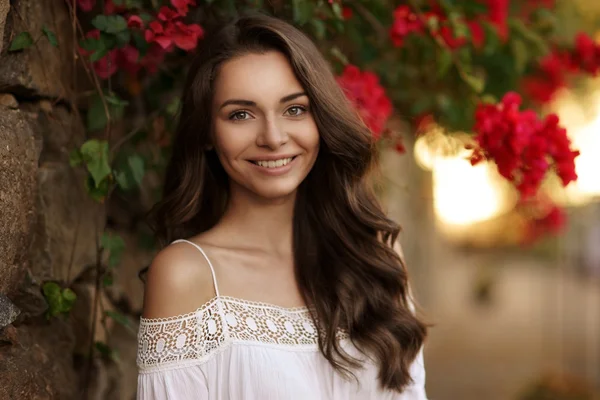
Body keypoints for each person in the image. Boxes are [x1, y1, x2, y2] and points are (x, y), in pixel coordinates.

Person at [136, 12, 428, 400]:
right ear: (207, 132)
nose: (273, 138)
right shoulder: (186, 276)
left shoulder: (375, 255)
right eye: (241, 114)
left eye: (294, 109)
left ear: (320, 118)